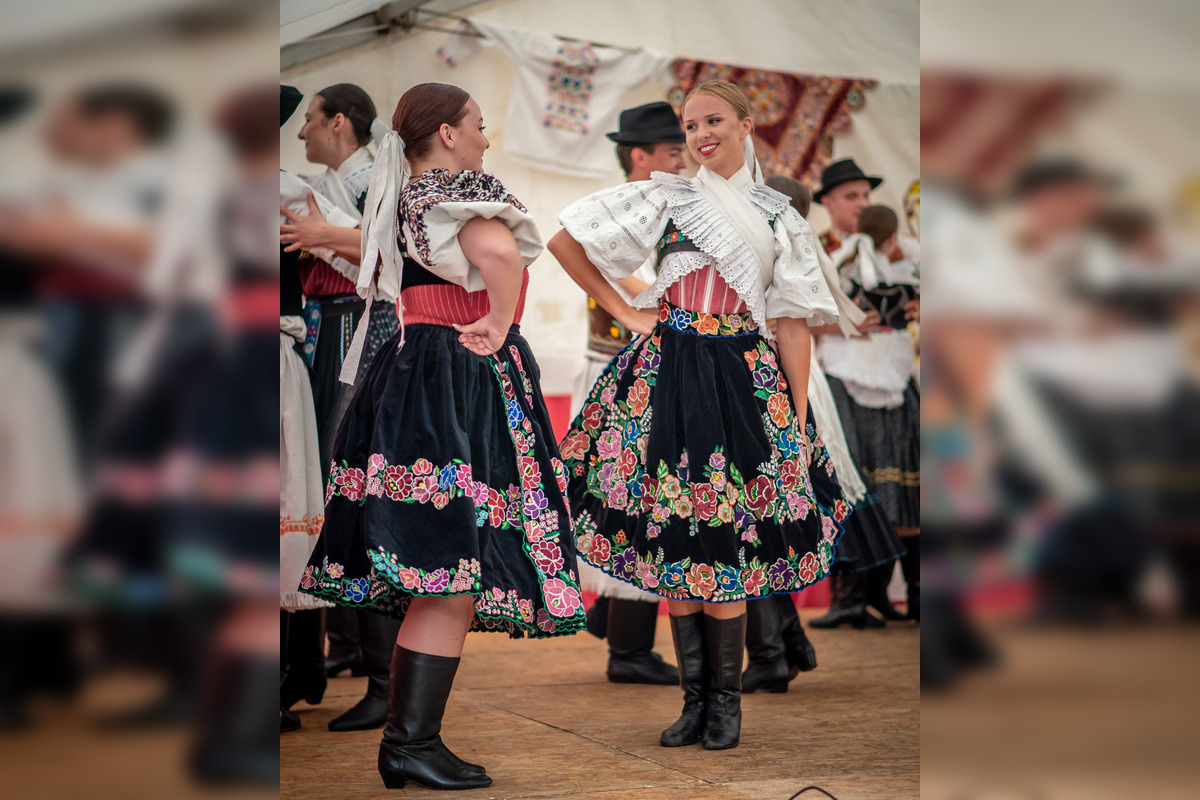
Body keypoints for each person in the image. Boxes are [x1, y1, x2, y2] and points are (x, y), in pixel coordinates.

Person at [299, 82, 587, 790]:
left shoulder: (407, 195)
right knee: (450, 568)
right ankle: (408, 743)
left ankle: (411, 741)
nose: (486, 137)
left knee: (445, 571)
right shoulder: (451, 189)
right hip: (456, 374)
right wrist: (500, 320)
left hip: (419, 370)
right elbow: (500, 253)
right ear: (449, 135)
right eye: (478, 124)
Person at [550, 80, 849, 751]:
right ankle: (694, 702)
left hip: (742, 379)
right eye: (690, 125)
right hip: (670, 372)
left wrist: (796, 418)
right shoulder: (665, 196)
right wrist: (626, 311)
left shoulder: (780, 217)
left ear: (746, 124)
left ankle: (725, 706)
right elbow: (565, 241)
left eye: (713, 120)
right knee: (674, 532)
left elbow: (792, 325)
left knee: (729, 538)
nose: (700, 134)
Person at [280, 82, 402, 732]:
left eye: (309, 119)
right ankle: (348, 646)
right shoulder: (326, 184)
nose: (300, 132)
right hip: (329, 330)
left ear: (339, 122)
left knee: (354, 482)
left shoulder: (372, 180)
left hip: (362, 327)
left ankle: (381, 676)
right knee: (333, 484)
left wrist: (323, 233)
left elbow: (392, 252)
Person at [572, 101, 685, 687]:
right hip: (617, 371)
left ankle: (615, 623)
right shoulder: (624, 208)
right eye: (672, 151)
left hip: (636, 368)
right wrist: (656, 302)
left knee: (636, 496)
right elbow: (602, 265)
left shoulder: (668, 205)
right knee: (632, 498)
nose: (683, 160)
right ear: (639, 156)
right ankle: (629, 646)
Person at [815, 162, 921, 625]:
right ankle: (852, 597)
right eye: (851, 196)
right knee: (849, 477)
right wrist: (842, 323)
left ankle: (909, 593)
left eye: (865, 195)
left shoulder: (902, 249)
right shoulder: (816, 249)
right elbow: (788, 316)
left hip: (893, 374)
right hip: (842, 373)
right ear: (827, 202)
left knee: (907, 474)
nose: (862, 203)